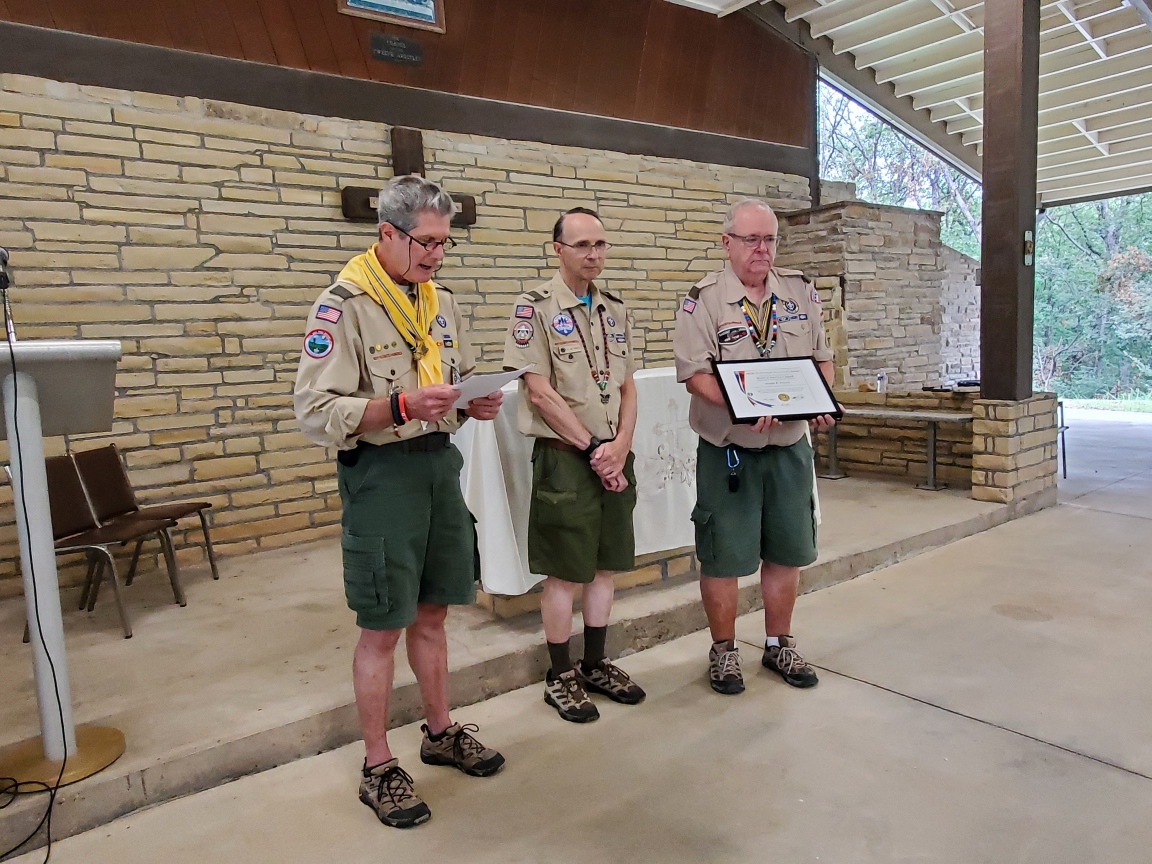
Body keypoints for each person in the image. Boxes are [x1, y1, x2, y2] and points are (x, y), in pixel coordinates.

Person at [294, 175, 505, 829]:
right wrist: (399, 406)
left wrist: (476, 402)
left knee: (435, 613)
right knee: (383, 625)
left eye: (444, 244)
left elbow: (456, 380)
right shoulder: (344, 305)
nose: (436, 256)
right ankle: (378, 765)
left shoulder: (440, 302)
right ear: (387, 233)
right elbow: (313, 410)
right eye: (426, 243)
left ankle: (439, 732)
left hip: (440, 466)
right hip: (381, 475)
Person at [672, 198, 836, 696]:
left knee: (787, 550)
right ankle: (724, 651)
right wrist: (743, 405)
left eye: (769, 240)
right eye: (751, 239)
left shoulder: (800, 292)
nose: (762, 249)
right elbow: (695, 374)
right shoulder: (703, 300)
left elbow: (822, 359)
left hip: (788, 445)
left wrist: (820, 400)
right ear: (727, 243)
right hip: (730, 449)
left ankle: (777, 643)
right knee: (723, 554)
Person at [501, 207, 646, 724]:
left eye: (601, 245)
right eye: (582, 245)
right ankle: (559, 674)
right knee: (566, 572)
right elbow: (539, 393)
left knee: (605, 566)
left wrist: (622, 444)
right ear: (557, 248)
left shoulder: (616, 309)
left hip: (613, 456)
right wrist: (593, 450)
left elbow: (628, 385)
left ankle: (595, 663)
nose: (594, 254)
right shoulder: (533, 309)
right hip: (568, 460)